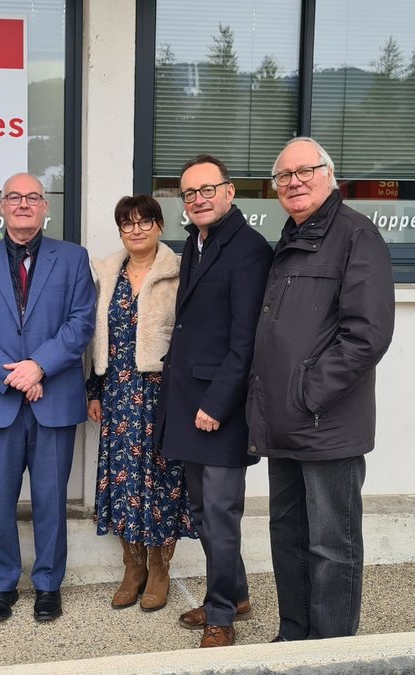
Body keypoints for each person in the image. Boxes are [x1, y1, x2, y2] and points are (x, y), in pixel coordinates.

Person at [247, 137, 395, 641]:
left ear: (330, 174)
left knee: (333, 545)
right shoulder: (292, 237)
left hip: (325, 423)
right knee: (287, 537)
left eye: (305, 171)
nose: (295, 182)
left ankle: (331, 651)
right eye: (284, 176)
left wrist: (309, 393)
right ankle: (294, 639)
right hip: (285, 423)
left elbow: (367, 335)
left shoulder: (356, 235)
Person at [0, 173, 96, 623]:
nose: (23, 204)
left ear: (45, 206)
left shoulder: (72, 258)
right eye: (15, 197)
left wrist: (40, 366)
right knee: (0, 499)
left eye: (33, 197)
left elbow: (81, 321)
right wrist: (12, 375)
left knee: (51, 498)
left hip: (53, 396)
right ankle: (2, 585)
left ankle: (49, 585)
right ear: (2, 206)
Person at [157, 154, 271, 648]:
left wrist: (218, 404)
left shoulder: (248, 250)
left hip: (219, 409)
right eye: (189, 193)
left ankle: (221, 614)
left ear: (229, 192)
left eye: (208, 190)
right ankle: (236, 593)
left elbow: (247, 340)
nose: (198, 199)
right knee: (204, 513)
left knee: (221, 516)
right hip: (187, 401)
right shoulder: (196, 243)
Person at [86, 195, 195, 613]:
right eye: (127, 223)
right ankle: (132, 568)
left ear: (159, 225)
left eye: (144, 222)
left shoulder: (179, 273)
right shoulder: (105, 273)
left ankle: (160, 568)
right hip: (117, 394)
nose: (136, 230)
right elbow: (93, 337)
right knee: (123, 481)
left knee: (162, 481)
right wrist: (94, 390)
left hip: (162, 395)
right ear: (120, 231)